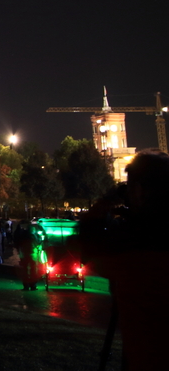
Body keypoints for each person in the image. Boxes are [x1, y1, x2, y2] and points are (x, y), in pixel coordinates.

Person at [80, 149, 169, 371]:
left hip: (147, 354)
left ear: (138, 191)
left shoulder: (133, 240)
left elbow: (88, 248)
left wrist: (104, 204)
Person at [13, 219, 37, 290]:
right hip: (32, 254)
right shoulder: (33, 235)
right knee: (33, 270)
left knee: (25, 271)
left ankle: (26, 286)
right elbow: (37, 242)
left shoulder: (22, 235)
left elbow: (18, 243)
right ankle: (33, 285)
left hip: (24, 254)